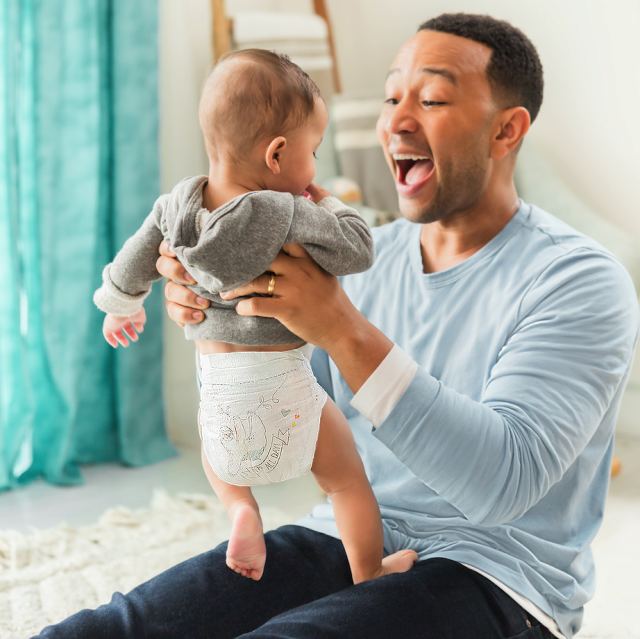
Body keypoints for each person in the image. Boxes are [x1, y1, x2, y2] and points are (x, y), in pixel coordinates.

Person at [36, 12, 638, 639]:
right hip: (349, 536)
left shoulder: (579, 281)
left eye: (431, 98)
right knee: (115, 628)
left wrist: (342, 327)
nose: (396, 120)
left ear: (507, 130)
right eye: (390, 96)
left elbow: (500, 486)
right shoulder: (361, 259)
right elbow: (290, 392)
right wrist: (214, 307)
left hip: (497, 579)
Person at [91, 49, 417, 585]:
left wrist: (120, 307)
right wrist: (327, 203)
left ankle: (242, 510)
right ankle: (369, 574)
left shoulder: (175, 206)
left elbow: (132, 264)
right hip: (288, 394)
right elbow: (358, 250)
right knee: (347, 484)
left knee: (217, 450)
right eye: (312, 152)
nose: (313, 167)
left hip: (221, 400)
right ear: (277, 154)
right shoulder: (283, 211)